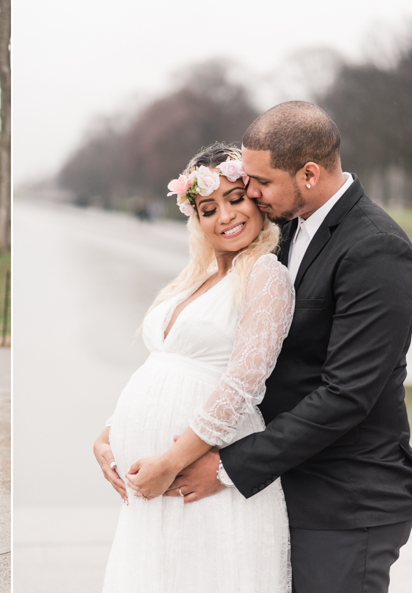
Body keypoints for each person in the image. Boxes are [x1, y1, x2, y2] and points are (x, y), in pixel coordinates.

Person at [164, 101, 412, 593]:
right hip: (289, 486)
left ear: (310, 174)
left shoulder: (376, 247)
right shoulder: (289, 230)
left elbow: (346, 394)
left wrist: (228, 466)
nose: (250, 192)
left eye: (260, 181)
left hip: (346, 502)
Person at [94, 143, 294, 592]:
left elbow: (243, 382)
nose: (224, 216)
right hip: (154, 493)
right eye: (208, 208)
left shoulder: (266, 274)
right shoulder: (196, 279)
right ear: (196, 219)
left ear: (257, 201)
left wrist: (169, 461)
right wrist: (109, 436)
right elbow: (162, 367)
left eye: (235, 199)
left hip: (199, 481)